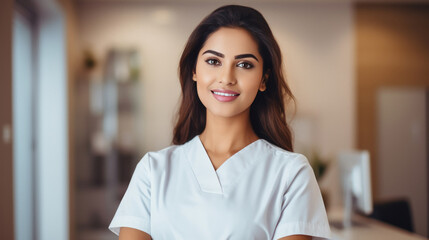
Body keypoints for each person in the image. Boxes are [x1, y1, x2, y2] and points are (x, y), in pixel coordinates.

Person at [109, 5, 331, 240]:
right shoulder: (153, 170)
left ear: (264, 79)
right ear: (194, 70)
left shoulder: (291, 173)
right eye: (214, 61)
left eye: (244, 64)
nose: (226, 78)